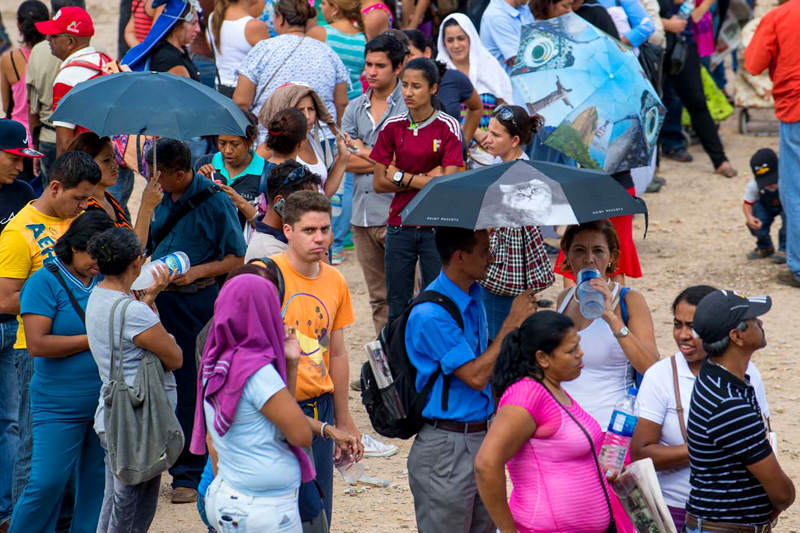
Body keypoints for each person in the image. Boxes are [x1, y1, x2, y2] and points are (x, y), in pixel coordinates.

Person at [189, 272, 359, 532]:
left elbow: (270, 419)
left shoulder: (218, 360)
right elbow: (299, 435)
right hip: (261, 510)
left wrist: (291, 364)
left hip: (228, 495)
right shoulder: (257, 372)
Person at [405, 226, 536, 533]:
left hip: (479, 437)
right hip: (447, 448)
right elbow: (476, 376)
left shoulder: (472, 297)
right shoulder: (430, 314)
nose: (492, 259)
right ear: (460, 257)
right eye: (485, 251)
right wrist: (511, 324)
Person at [137, 138, 247, 504]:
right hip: (158, 300)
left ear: (180, 173)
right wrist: (147, 207)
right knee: (157, 382)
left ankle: (189, 472)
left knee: (192, 385)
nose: (154, 181)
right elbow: (139, 248)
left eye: (160, 175)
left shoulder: (215, 200)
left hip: (199, 302)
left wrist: (195, 272)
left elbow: (236, 258)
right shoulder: (159, 198)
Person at [0, 151, 98, 515]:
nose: (81, 206)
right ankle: (22, 520)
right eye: (77, 198)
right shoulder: (18, 231)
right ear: (55, 187)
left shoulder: (81, 221)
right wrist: (53, 301)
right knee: (35, 450)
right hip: (35, 351)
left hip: (81, 355)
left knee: (72, 452)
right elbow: (5, 298)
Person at [631, 285, 772, 531]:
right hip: (674, 510)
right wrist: (709, 447)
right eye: (677, 325)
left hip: (735, 516)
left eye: (693, 327)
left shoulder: (749, 374)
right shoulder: (660, 376)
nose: (683, 335)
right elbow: (641, 453)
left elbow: (761, 438)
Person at [9, 211, 113, 533]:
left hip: (101, 400)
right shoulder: (44, 280)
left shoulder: (104, 279)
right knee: (46, 482)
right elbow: (38, 344)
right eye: (93, 256)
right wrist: (94, 337)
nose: (99, 264)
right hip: (57, 402)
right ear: (75, 247)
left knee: (97, 484)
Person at [475, 311, 615, 533]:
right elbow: (486, 465)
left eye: (578, 345)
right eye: (570, 351)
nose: (581, 354)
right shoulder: (526, 395)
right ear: (543, 358)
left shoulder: (555, 390)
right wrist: (508, 530)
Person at [270, 191, 362, 524]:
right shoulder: (266, 276)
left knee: (318, 512)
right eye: (309, 230)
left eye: (325, 229)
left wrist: (343, 417)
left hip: (319, 407)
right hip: (276, 407)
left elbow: (336, 351)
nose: (319, 238)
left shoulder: (335, 280)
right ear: (288, 231)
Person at [84, 226, 183, 531]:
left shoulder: (97, 297)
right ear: (137, 263)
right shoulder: (133, 312)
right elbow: (174, 357)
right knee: (128, 512)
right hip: (138, 423)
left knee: (115, 503)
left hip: (114, 415)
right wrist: (153, 306)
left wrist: (149, 298)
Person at [684, 290, 795, 531]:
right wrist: (784, 495)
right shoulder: (730, 404)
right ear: (736, 336)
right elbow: (782, 494)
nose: (761, 322)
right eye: (754, 320)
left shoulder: (714, 373)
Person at [371, 57, 464, 322]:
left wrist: (401, 176)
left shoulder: (448, 126)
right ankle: (399, 360)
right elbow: (379, 182)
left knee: (436, 299)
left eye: (417, 86)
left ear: (433, 88)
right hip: (399, 225)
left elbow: (448, 185)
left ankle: (432, 359)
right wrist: (428, 179)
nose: (408, 93)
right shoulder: (392, 126)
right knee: (397, 301)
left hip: (436, 226)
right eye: (405, 85)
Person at [555, 220, 658, 429]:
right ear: (567, 255)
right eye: (579, 250)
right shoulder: (564, 299)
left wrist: (612, 318)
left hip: (610, 429)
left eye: (598, 251)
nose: (589, 259)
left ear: (611, 258)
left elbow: (652, 368)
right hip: (564, 426)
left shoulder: (629, 300)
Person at [341, 32, 406, 334]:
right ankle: (386, 370)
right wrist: (385, 161)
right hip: (363, 215)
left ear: (398, 67)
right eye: (368, 64)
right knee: (378, 300)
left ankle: (408, 367)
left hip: (400, 213)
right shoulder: (355, 107)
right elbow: (344, 161)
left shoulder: (409, 106)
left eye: (380, 65)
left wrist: (365, 152)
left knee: (406, 296)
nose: (371, 72)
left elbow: (408, 163)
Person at [480, 105, 554, 338]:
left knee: (499, 336)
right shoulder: (499, 164)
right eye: (488, 131)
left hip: (505, 270)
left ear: (515, 141)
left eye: (495, 135)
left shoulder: (523, 175)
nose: (487, 139)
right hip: (503, 268)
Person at [0, 119, 41, 533]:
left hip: (14, 323)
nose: (21, 166)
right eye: (13, 158)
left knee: (11, 421)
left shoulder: (24, 194)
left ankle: (7, 511)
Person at [234, 0, 349, 146]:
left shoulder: (263, 49)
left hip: (271, 142)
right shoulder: (327, 52)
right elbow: (342, 103)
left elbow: (241, 101)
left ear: (280, 19)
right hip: (320, 140)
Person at [745, 2, 800, 287]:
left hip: (795, 108)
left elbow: (753, 63)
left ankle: (799, 265)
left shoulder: (779, 16)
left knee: (796, 191)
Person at [658, 0, 737, 177]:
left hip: (683, 41)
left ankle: (720, 160)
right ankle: (650, 169)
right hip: (655, 43)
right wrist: (667, 24)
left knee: (697, 101)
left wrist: (700, 8)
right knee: (651, 105)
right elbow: (638, 12)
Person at [34, 6, 113, 156]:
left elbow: (64, 145)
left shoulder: (68, 77)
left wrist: (61, 177)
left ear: (69, 41)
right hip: (116, 161)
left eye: (53, 35)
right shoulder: (105, 62)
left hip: (89, 167)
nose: (48, 39)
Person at [436, 14, 513, 162]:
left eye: (461, 38)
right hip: (451, 155)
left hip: (492, 154)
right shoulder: (438, 74)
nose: (456, 45)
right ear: (443, 43)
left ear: (470, 38)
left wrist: (493, 135)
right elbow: (433, 116)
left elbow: (506, 107)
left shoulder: (490, 66)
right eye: (450, 40)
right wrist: (474, 132)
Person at [258, 83, 349, 198]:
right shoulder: (270, 148)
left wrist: (343, 157)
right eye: (300, 110)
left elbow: (323, 193)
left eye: (311, 109)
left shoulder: (312, 141)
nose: (307, 116)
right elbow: (253, 184)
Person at [404, 29, 484, 146]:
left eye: (410, 55)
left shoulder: (452, 78)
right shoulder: (395, 88)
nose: (406, 61)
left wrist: (463, 143)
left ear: (427, 52)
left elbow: (476, 107)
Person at [194, 111, 264, 228]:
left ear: (251, 140)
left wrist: (239, 202)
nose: (227, 150)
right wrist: (197, 185)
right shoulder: (204, 164)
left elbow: (269, 229)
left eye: (235, 144)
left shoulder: (265, 173)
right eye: (222, 143)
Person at [245, 161, 322, 261]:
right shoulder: (270, 253)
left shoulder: (290, 235)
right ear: (280, 203)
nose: (314, 211)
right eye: (307, 204)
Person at [1, 2, 48, 147]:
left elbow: (6, 105)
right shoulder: (54, 56)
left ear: (18, 25)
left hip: (19, 136)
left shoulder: (10, 59)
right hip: (45, 134)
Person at [66, 132, 133, 231]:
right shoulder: (84, 208)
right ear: (86, 163)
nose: (115, 165)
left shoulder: (108, 198)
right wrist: (146, 207)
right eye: (106, 160)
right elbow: (128, 245)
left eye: (114, 157)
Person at [122, 0, 201, 80]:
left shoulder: (179, 50)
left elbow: (129, 32)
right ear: (177, 25)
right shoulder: (170, 59)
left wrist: (143, 51)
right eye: (193, 23)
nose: (198, 29)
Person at [206, 0, 269, 95]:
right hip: (245, 92)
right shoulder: (253, 26)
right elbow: (269, 64)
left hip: (220, 88)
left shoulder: (213, 18)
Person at [309, 0, 366, 103]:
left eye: (323, 3)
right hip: (356, 104)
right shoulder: (363, 38)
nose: (320, 7)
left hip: (327, 105)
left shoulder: (320, 34)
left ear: (335, 9)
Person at [742, 148, 786, 263]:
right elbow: (747, 203)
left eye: (773, 181)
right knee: (757, 224)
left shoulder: (787, 179)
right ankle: (765, 247)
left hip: (785, 204)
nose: (771, 186)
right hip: (765, 205)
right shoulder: (754, 185)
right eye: (766, 183)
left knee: (789, 224)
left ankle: (785, 250)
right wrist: (749, 217)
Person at [479, 0, 534, 74]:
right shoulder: (496, 16)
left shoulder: (523, 7)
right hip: (506, 82)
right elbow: (519, 62)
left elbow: (536, 41)